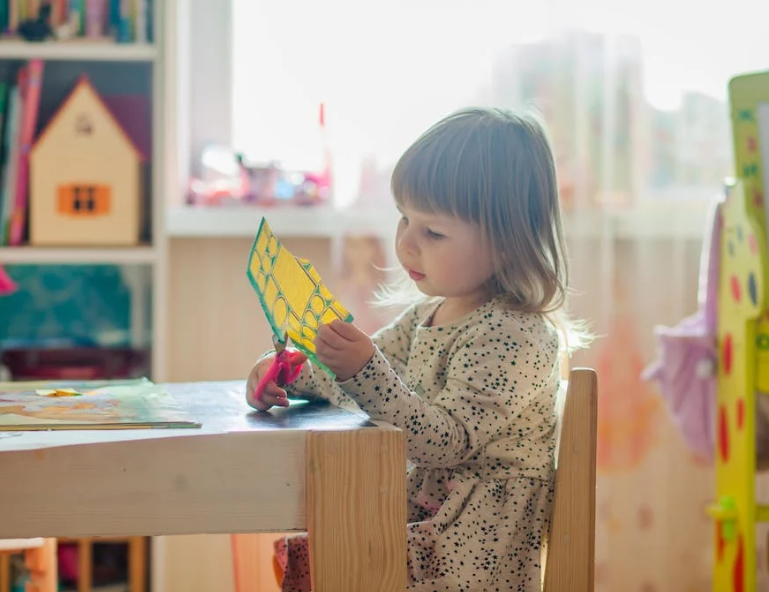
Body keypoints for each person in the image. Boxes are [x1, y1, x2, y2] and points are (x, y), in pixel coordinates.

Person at [246, 107, 588, 591]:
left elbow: (443, 442)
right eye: (405, 219)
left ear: (509, 242)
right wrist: (289, 372)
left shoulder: (516, 335)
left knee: (332, 551)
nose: (405, 243)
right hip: (430, 528)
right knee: (322, 542)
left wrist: (363, 371)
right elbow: (358, 381)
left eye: (433, 232)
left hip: (471, 554)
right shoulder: (430, 315)